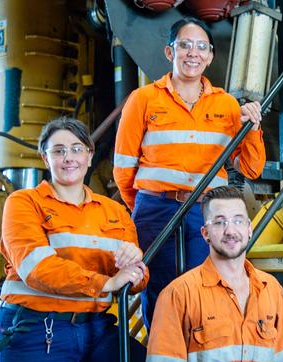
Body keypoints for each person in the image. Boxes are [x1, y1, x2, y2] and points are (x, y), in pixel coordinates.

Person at [113, 17, 266, 325]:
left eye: (201, 47)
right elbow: (123, 168)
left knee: (209, 287)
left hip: (206, 211)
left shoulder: (227, 105)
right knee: (159, 289)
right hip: (157, 208)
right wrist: (145, 206)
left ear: (209, 56)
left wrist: (252, 127)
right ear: (170, 52)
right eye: (185, 45)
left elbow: (250, 167)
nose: (192, 53)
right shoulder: (143, 99)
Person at [0, 117, 148, 362]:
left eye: (76, 149)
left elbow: (138, 279)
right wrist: (106, 283)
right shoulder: (24, 202)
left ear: (90, 155)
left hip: (96, 329)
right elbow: (38, 269)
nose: (69, 158)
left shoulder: (114, 212)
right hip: (35, 330)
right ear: (45, 158)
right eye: (59, 151)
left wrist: (135, 268)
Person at [146, 186, 283, 362]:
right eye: (220, 222)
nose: (230, 231)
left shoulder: (272, 289)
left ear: (249, 229)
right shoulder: (178, 295)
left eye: (238, 221)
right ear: (205, 234)